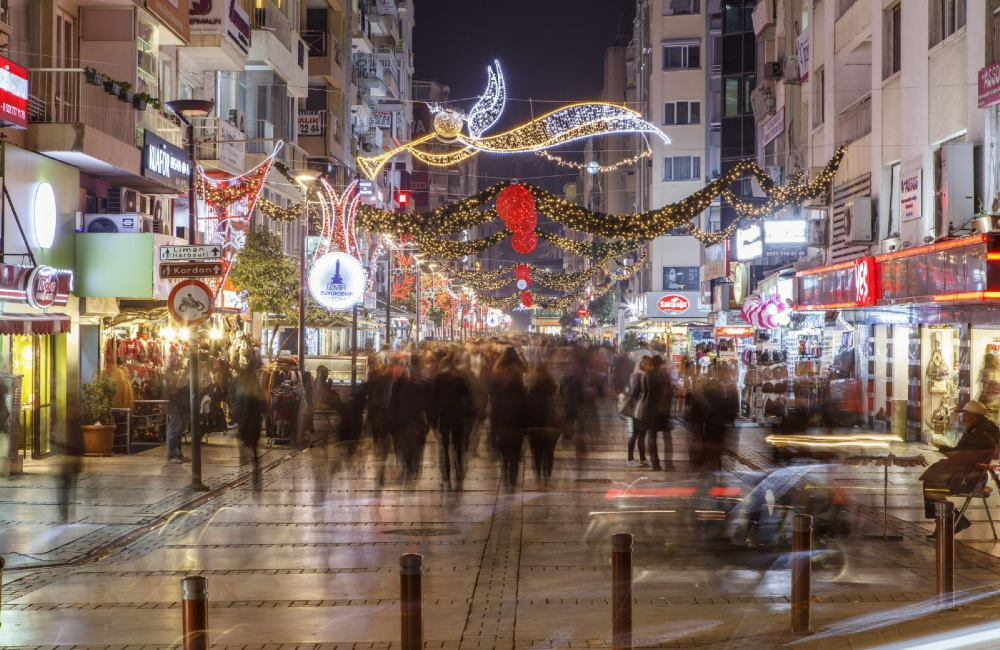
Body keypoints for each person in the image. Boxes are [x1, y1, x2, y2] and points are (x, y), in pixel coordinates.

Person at [921, 400, 1000, 539]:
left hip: (970, 477)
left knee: (932, 486)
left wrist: (944, 449)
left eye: (966, 414)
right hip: (970, 474)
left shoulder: (981, 433)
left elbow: (966, 457)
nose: (963, 418)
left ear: (975, 416)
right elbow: (965, 453)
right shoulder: (979, 429)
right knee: (931, 482)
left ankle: (949, 522)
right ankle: (950, 521)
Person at [234, 367, 265, 489]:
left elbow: (241, 411)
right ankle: (256, 478)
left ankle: (245, 477)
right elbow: (262, 408)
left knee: (248, 449)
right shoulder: (256, 391)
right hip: (255, 424)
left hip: (247, 424)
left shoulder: (241, 391)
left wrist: (242, 428)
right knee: (255, 453)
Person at [627, 356, 653, 467]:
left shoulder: (640, 376)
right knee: (637, 434)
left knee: (641, 434)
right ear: (643, 364)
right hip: (638, 409)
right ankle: (630, 459)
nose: (650, 367)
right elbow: (635, 393)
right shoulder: (639, 376)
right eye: (648, 364)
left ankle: (642, 459)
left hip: (640, 409)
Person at [165, 368, 189, 464]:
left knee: (179, 429)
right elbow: (174, 390)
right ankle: (171, 455)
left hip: (180, 405)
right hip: (175, 405)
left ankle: (177, 453)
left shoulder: (176, 374)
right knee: (174, 429)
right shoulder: (170, 375)